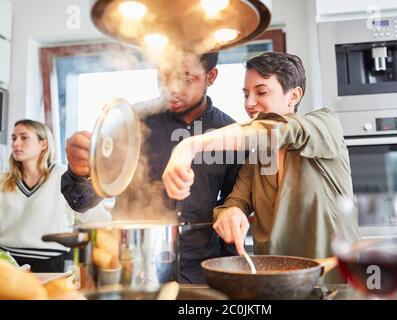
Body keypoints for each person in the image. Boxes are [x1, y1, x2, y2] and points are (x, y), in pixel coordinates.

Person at [162, 52, 361, 282]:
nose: (249, 103)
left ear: (294, 95)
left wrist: (190, 145)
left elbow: (279, 130)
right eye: (246, 94)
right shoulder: (258, 158)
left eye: (262, 92)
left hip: (336, 282)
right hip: (277, 285)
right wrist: (231, 213)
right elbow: (236, 200)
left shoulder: (324, 125)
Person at [61, 52, 241, 284]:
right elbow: (84, 201)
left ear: (211, 76)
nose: (172, 88)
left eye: (186, 78)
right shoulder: (130, 122)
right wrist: (79, 171)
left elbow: (233, 204)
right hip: (132, 268)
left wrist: (228, 273)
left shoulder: (230, 133)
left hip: (200, 272)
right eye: (164, 76)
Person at [0, 119, 109, 273]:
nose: (16, 143)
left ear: (43, 144)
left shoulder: (65, 177)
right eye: (13, 138)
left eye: (24, 137)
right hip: (7, 264)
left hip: (51, 265)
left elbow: (98, 218)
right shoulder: (3, 180)